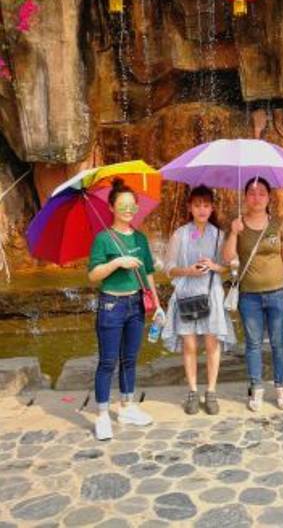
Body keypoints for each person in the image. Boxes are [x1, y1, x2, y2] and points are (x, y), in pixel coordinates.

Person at [88, 178, 160, 441]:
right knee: (108, 361)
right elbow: (93, 276)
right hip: (111, 305)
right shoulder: (103, 239)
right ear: (111, 207)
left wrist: (157, 304)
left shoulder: (140, 238)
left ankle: (127, 406)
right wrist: (117, 262)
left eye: (132, 205)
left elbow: (148, 272)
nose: (128, 210)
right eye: (122, 205)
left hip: (136, 304)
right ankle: (102, 415)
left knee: (130, 359)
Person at [161, 185, 236, 415]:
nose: (201, 210)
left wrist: (214, 266)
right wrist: (188, 271)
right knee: (190, 345)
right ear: (189, 208)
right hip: (186, 294)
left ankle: (211, 391)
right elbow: (168, 268)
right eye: (197, 205)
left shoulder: (219, 235)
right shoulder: (180, 234)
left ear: (212, 208)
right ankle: (193, 391)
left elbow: (229, 267)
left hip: (211, 294)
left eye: (206, 205)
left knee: (212, 344)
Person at [223, 177, 283, 412]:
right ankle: (257, 388)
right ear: (245, 197)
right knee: (253, 343)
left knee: (279, 343)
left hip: (278, 293)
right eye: (251, 193)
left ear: (269, 197)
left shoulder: (280, 224)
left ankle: (280, 388)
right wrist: (234, 233)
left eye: (262, 193)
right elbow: (228, 257)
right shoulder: (238, 225)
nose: (257, 197)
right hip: (249, 295)